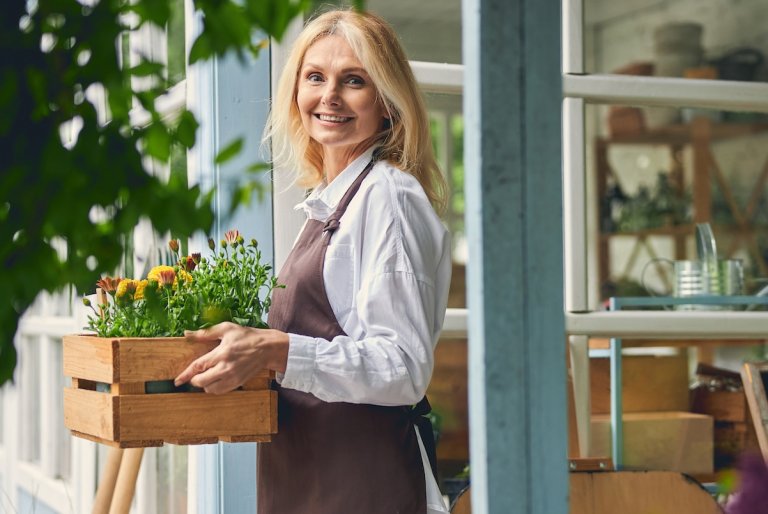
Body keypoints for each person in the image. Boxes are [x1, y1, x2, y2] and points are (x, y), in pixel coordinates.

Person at [175, 9, 452, 514]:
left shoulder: (388, 197)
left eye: (354, 81)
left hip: (362, 486)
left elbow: (402, 366)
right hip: (306, 480)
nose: (329, 97)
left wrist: (276, 350)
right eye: (315, 77)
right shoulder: (332, 202)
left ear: (388, 103)